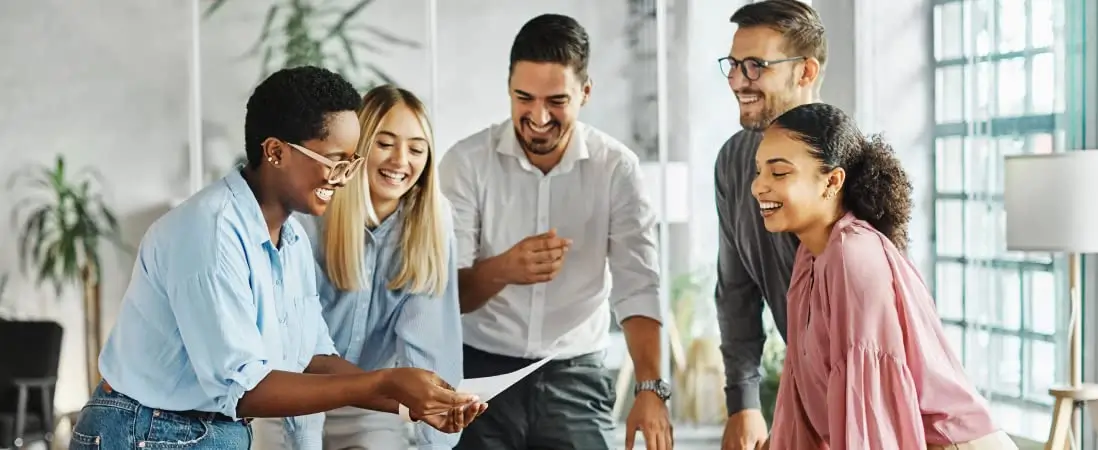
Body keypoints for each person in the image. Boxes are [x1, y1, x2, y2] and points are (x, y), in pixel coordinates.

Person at [69, 66, 480, 450]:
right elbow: (245, 389)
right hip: (148, 431)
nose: (345, 178)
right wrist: (386, 381)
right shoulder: (210, 232)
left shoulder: (292, 238)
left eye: (352, 162)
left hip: (207, 430)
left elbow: (313, 358)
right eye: (335, 162)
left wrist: (416, 403)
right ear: (276, 152)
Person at [439, 13, 673, 450]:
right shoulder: (466, 162)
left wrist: (650, 388)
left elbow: (637, 284)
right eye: (523, 98)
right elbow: (446, 297)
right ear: (508, 88)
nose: (538, 116)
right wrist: (504, 269)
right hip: (479, 372)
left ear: (585, 93)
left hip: (576, 375)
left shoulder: (616, 169)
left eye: (556, 100)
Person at [754, 103, 1015, 449]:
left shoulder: (853, 256)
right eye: (759, 172)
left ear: (832, 181)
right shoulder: (811, 256)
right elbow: (804, 393)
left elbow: (873, 414)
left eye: (779, 173)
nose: (759, 187)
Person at [252, 84, 475, 450]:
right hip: (293, 395)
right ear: (356, 150)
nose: (401, 161)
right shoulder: (310, 215)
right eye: (385, 144)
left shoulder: (432, 222)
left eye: (417, 149)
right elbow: (295, 344)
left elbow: (430, 342)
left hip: (372, 402)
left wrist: (436, 437)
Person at [712, 1, 827, 448]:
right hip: (805, 399)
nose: (738, 80)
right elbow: (735, 292)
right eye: (734, 64)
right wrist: (743, 402)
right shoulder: (733, 162)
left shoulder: (849, 168)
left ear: (805, 72)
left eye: (756, 66)